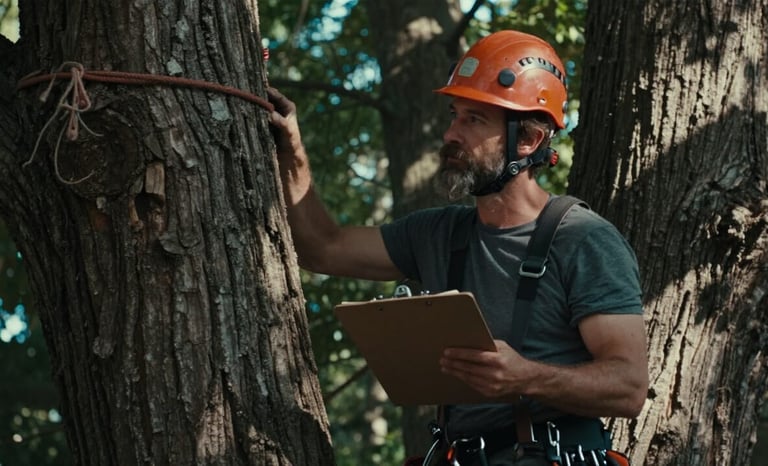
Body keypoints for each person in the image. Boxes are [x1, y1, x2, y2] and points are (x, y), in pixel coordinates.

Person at [268, 30, 648, 466]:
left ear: (527, 140)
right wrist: (290, 149)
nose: (451, 133)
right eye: (454, 115)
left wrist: (527, 376)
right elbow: (324, 249)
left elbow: (630, 386)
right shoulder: (438, 233)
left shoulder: (583, 240)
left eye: (474, 120)